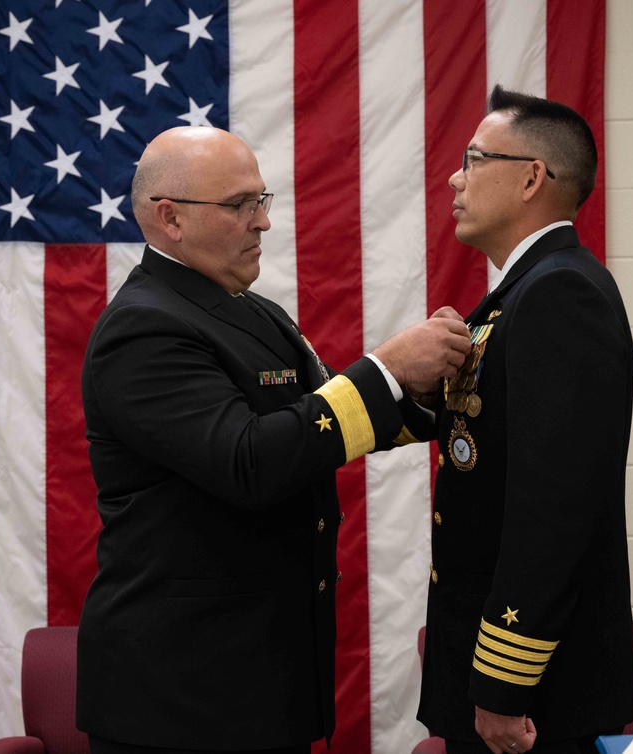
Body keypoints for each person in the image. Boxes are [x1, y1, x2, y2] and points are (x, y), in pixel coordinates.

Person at [76, 125, 471, 754]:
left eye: (262, 200)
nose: (263, 222)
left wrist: (427, 395)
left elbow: (314, 429)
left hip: (260, 678)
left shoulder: (247, 310)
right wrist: (387, 370)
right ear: (169, 218)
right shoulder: (144, 328)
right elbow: (250, 461)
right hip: (181, 699)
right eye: (239, 205)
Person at [413, 86, 633, 754]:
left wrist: (505, 684)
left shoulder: (560, 294)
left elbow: (553, 511)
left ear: (532, 177)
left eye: (474, 159)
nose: (455, 176)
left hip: (530, 692)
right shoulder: (523, 293)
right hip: (493, 670)